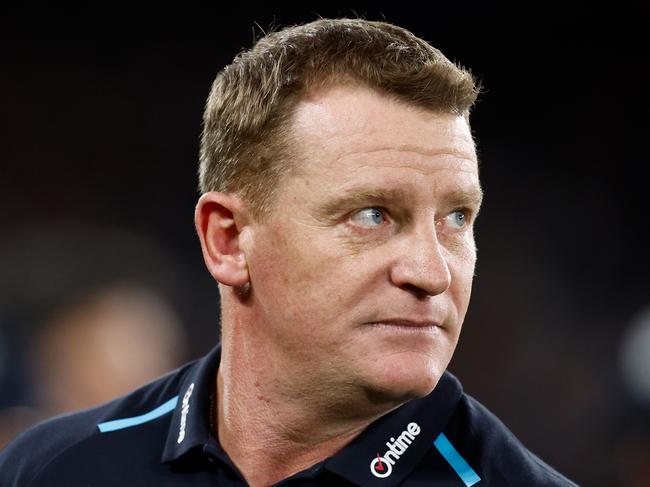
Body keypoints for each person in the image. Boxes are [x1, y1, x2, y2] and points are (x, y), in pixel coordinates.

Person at [0, 18, 577, 486]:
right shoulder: (54, 468)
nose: (431, 272)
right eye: (373, 215)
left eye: (456, 218)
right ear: (227, 240)